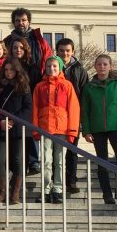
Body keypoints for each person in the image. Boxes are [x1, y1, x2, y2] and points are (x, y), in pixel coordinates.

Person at [81, 54, 117, 207]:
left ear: (110, 67)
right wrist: (86, 131)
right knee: (102, 162)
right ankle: (107, 194)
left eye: (105, 64)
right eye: (99, 64)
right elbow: (85, 111)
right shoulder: (89, 87)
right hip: (97, 129)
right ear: (95, 67)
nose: (102, 67)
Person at [32, 56, 80, 204]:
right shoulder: (40, 87)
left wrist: (72, 131)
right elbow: (35, 109)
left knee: (59, 161)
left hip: (62, 129)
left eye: (54, 66)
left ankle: (58, 189)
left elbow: (73, 109)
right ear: (45, 68)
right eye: (48, 66)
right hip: (45, 128)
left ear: (60, 68)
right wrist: (35, 129)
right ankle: (46, 189)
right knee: (46, 161)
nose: (51, 69)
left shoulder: (67, 85)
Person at [0, 58, 32, 204]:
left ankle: (15, 192)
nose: (8, 72)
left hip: (18, 129)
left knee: (18, 160)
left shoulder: (24, 86)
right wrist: (1, 121)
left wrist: (13, 121)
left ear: (17, 71)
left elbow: (27, 108)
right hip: (2, 128)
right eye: (6, 70)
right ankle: (2, 191)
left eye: (12, 70)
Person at [56, 38, 88, 194]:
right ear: (57, 51)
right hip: (56, 116)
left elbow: (84, 94)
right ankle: (57, 183)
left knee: (72, 151)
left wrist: (82, 118)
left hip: (73, 116)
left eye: (67, 50)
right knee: (55, 152)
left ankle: (71, 182)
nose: (64, 53)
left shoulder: (80, 70)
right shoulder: (53, 67)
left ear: (73, 52)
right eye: (61, 50)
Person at [10, 37, 42, 175]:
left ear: (26, 50)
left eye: (21, 48)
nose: (18, 50)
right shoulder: (9, 66)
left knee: (30, 133)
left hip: (30, 104)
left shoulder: (33, 68)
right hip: (14, 104)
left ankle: (33, 160)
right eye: (15, 47)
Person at [4, 7, 53, 78]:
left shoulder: (39, 41)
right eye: (17, 20)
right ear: (14, 23)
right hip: (13, 80)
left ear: (28, 22)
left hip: (36, 79)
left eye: (23, 20)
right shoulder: (7, 41)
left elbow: (48, 60)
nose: (20, 23)